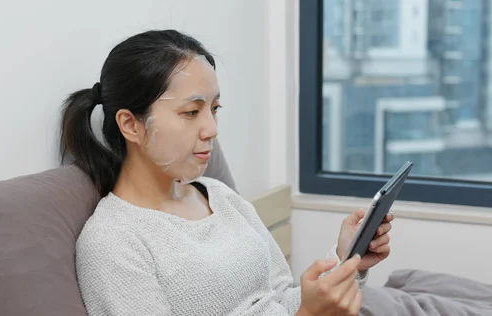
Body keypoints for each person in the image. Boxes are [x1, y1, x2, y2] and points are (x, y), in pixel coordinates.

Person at [60, 29, 394, 316]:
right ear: (130, 124)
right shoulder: (113, 243)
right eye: (191, 112)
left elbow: (279, 300)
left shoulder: (219, 196)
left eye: (214, 109)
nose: (211, 129)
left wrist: (345, 260)